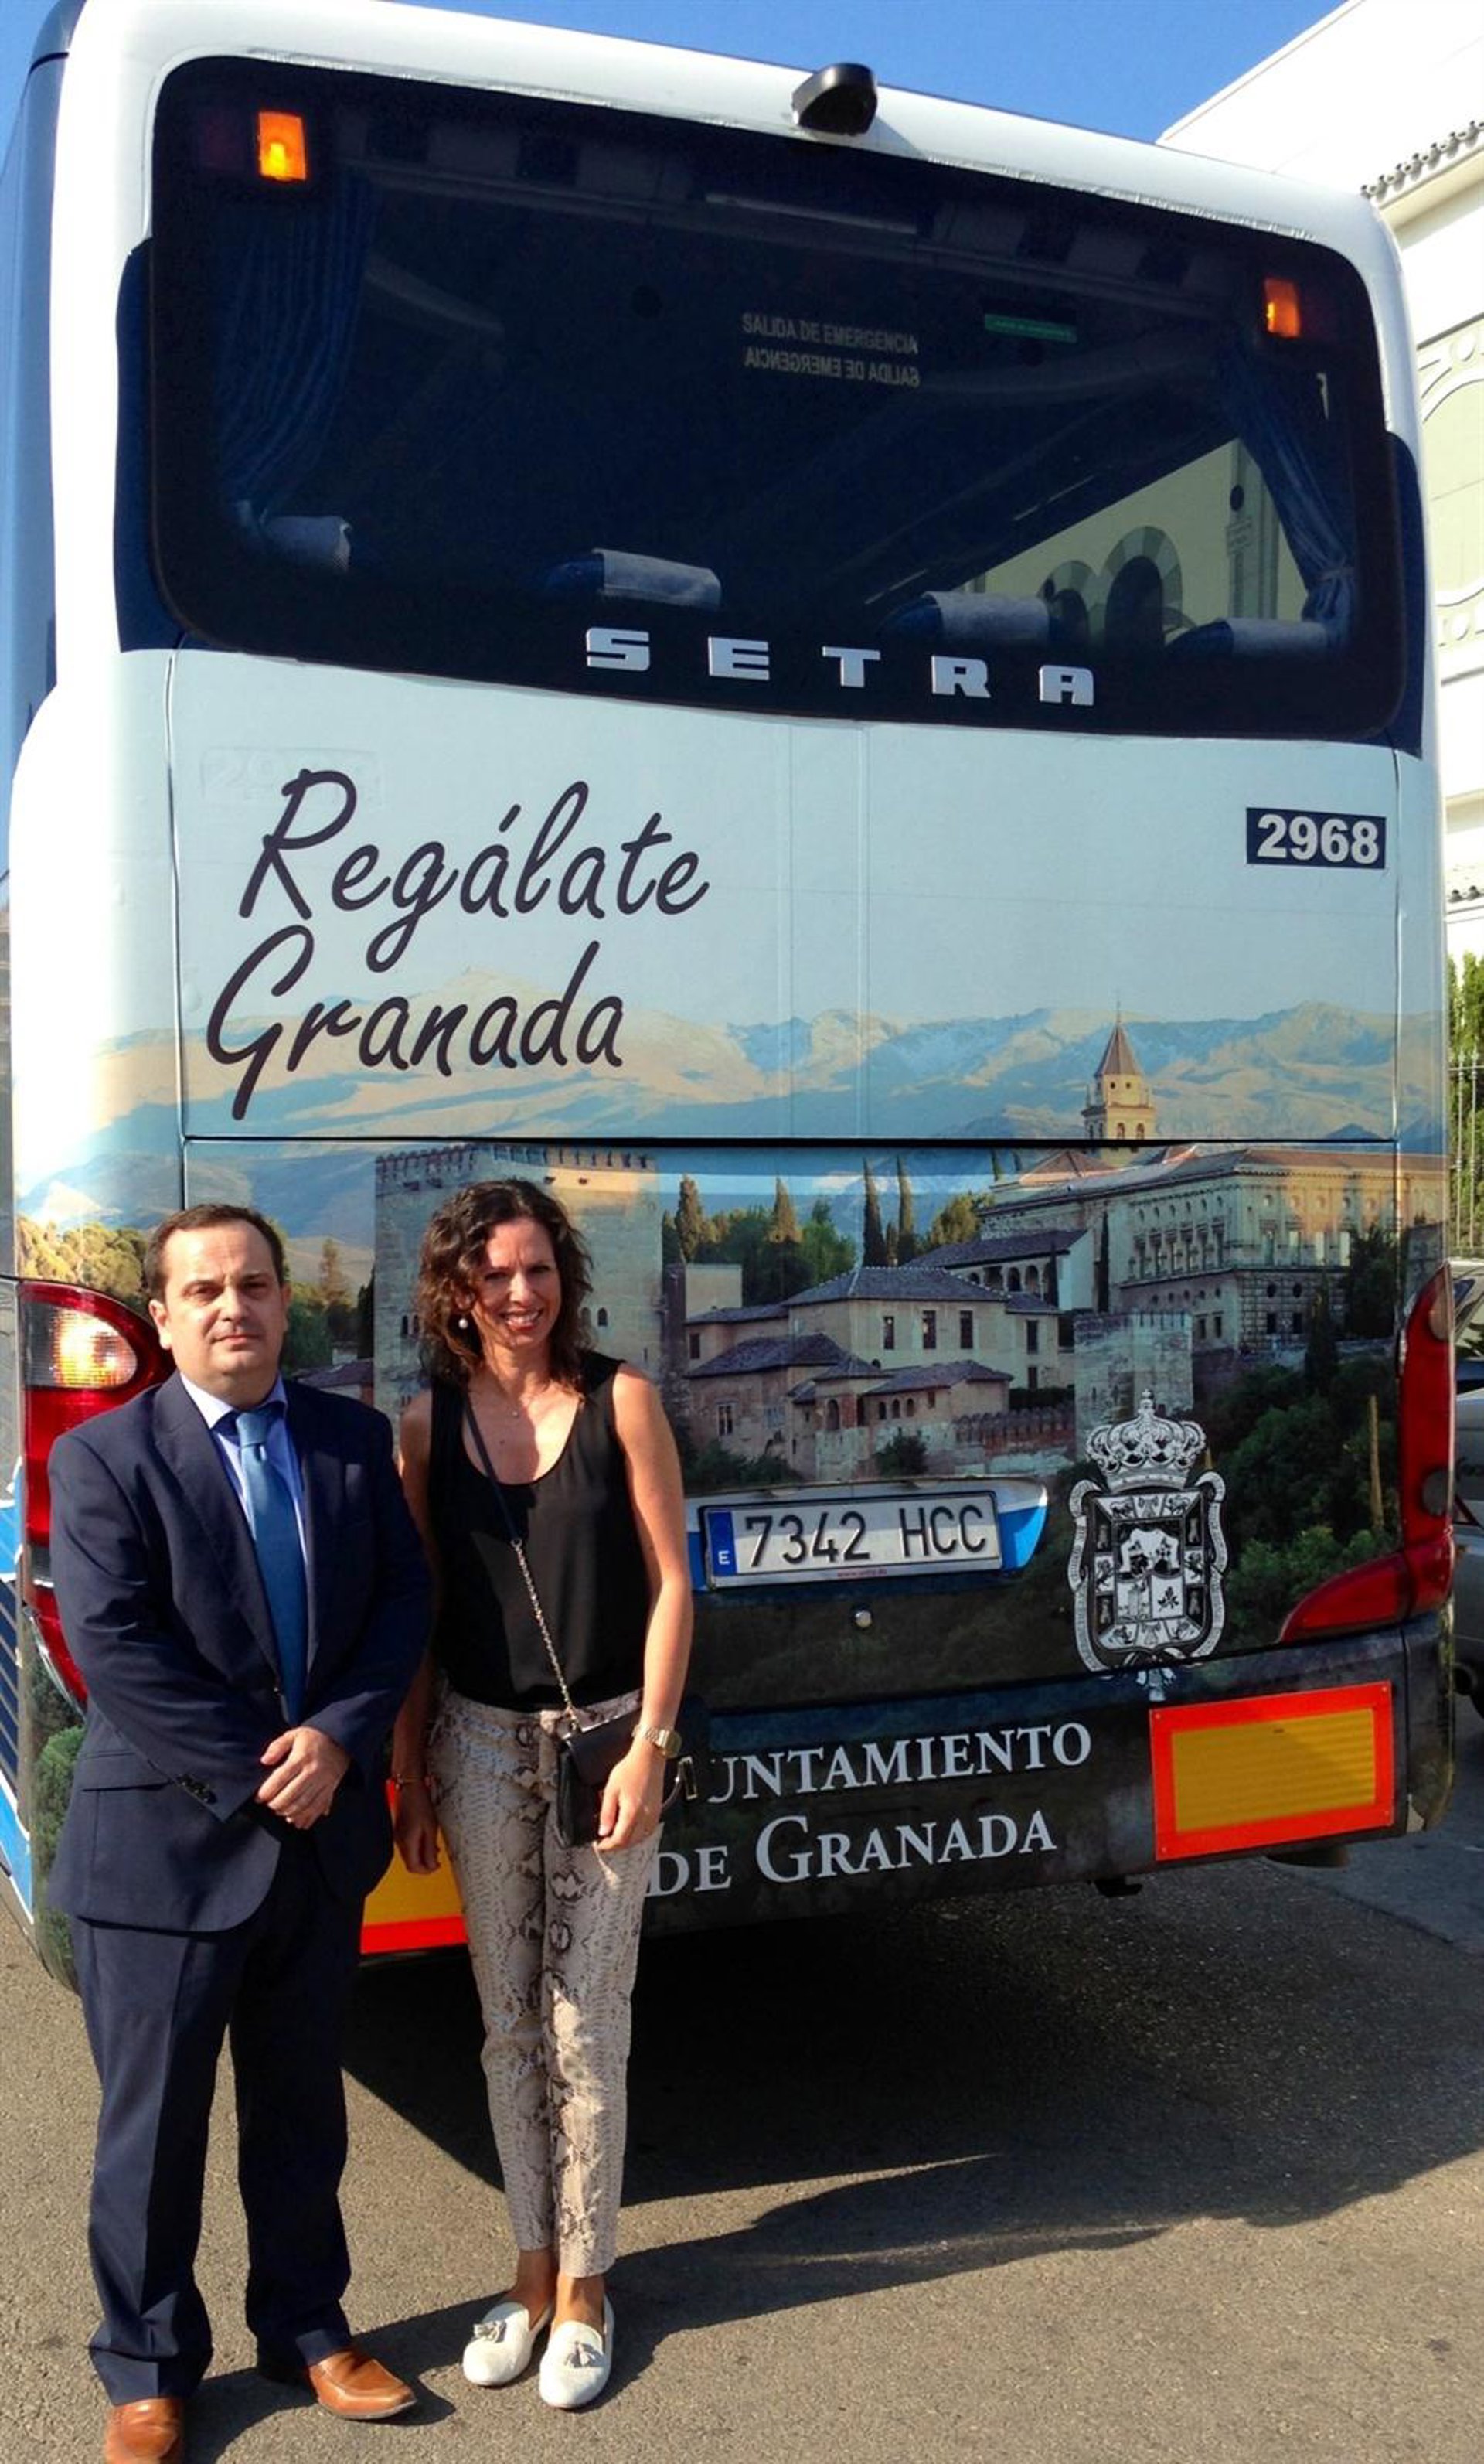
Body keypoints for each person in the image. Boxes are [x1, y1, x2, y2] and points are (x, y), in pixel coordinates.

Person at [47, 1205, 431, 2464]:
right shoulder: (105, 1458)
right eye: (204, 1290)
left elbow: (401, 1603)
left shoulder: (352, 1441)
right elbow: (117, 1651)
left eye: (255, 1284)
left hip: (318, 1848)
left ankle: (308, 2326)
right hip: (165, 1856)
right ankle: (148, 2368)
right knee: (151, 2133)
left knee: (301, 2111)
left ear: (285, 1303)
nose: (234, 1307)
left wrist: (342, 1739)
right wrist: (276, 1773)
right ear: (163, 1318)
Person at [393, 1177, 692, 2411]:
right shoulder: (425, 1427)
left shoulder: (624, 1401)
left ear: (566, 1279)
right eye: (496, 1274)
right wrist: (411, 1773)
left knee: (587, 2025)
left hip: (604, 1742)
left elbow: (675, 1584)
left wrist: (651, 1748)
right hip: (474, 1746)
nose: (522, 1293)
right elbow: (416, 1615)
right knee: (508, 2023)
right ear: (457, 1292)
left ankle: (586, 2289)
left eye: (539, 1269)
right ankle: (528, 2268)